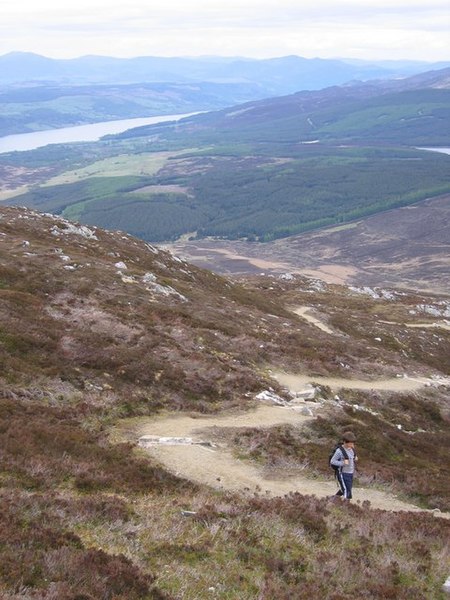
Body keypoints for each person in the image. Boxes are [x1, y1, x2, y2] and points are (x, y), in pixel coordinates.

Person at [330, 431, 358, 500]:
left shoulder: (352, 449)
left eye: (353, 443)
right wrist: (343, 463)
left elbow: (352, 457)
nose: (352, 445)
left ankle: (333, 500)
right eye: (350, 443)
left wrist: (355, 458)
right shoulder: (339, 451)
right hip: (342, 473)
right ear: (345, 442)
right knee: (347, 491)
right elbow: (332, 461)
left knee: (345, 488)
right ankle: (346, 506)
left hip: (350, 473)